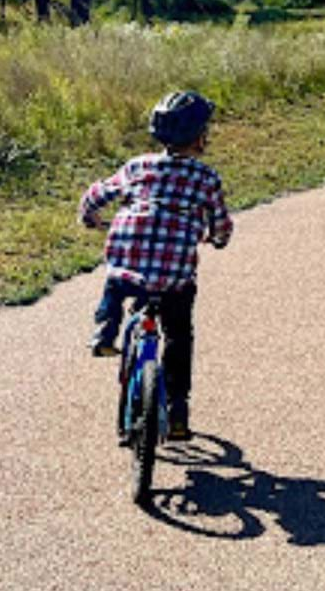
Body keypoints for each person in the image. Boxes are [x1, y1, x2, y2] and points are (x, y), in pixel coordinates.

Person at [79, 89, 231, 441]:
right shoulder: (206, 178)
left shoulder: (137, 166)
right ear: (199, 137)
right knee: (178, 336)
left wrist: (89, 217)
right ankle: (178, 411)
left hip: (128, 261)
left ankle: (105, 330)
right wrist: (218, 237)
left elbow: (98, 195)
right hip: (176, 275)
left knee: (116, 280)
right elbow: (221, 225)